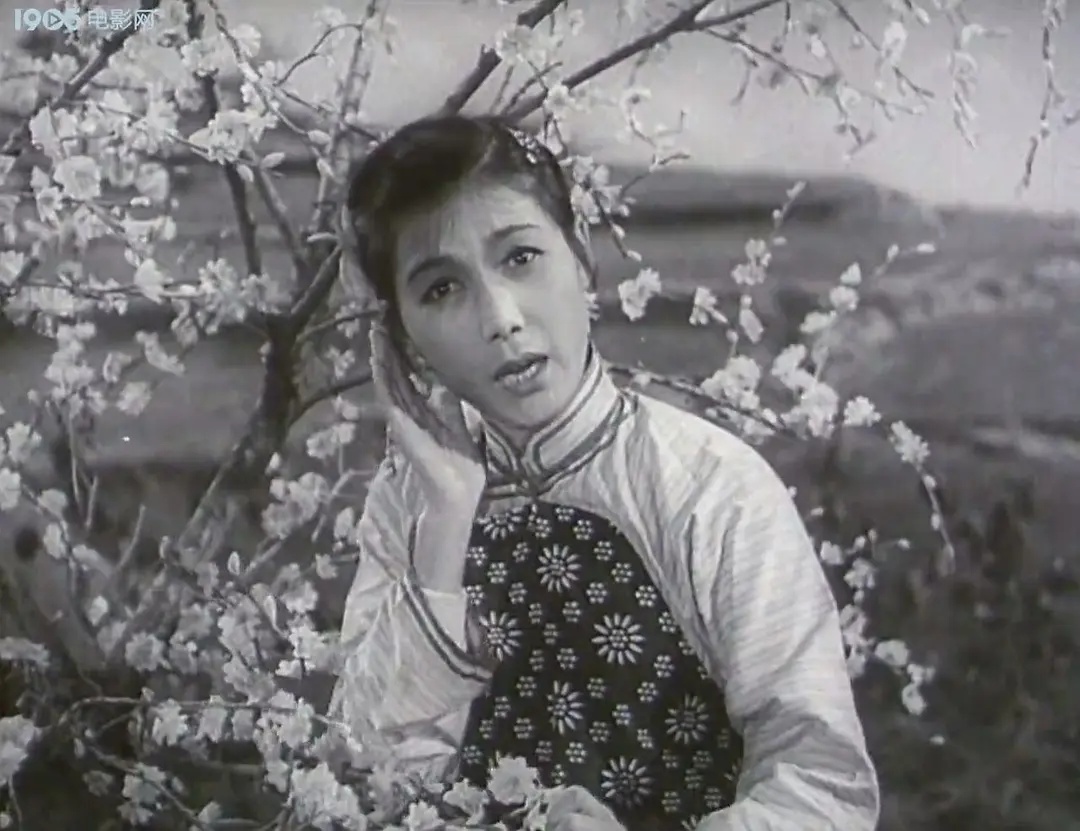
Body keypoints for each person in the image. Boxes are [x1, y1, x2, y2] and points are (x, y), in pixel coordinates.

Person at [329, 113, 879, 831]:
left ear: (581, 254)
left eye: (521, 257)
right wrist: (447, 525)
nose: (501, 318)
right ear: (402, 338)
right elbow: (360, 784)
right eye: (441, 290)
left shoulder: (711, 484)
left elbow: (823, 786)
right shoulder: (413, 504)